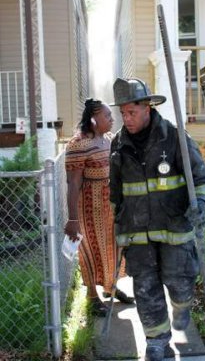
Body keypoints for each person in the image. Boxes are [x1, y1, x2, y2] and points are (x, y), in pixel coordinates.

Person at [109, 78, 205, 361]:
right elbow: (116, 190)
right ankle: (156, 341)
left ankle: (182, 306)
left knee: (180, 283)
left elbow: (201, 178)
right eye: (123, 113)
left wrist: (200, 202)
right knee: (145, 288)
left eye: (131, 112)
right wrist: (118, 221)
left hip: (174, 229)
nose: (126, 119)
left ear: (148, 108)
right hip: (137, 233)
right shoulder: (118, 144)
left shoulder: (175, 138)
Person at [64, 98, 134, 318]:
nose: (112, 119)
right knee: (91, 251)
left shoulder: (109, 139)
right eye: (107, 116)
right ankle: (92, 297)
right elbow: (73, 183)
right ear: (94, 119)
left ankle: (111, 288)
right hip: (90, 208)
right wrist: (73, 220)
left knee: (113, 247)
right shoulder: (78, 144)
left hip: (111, 205)